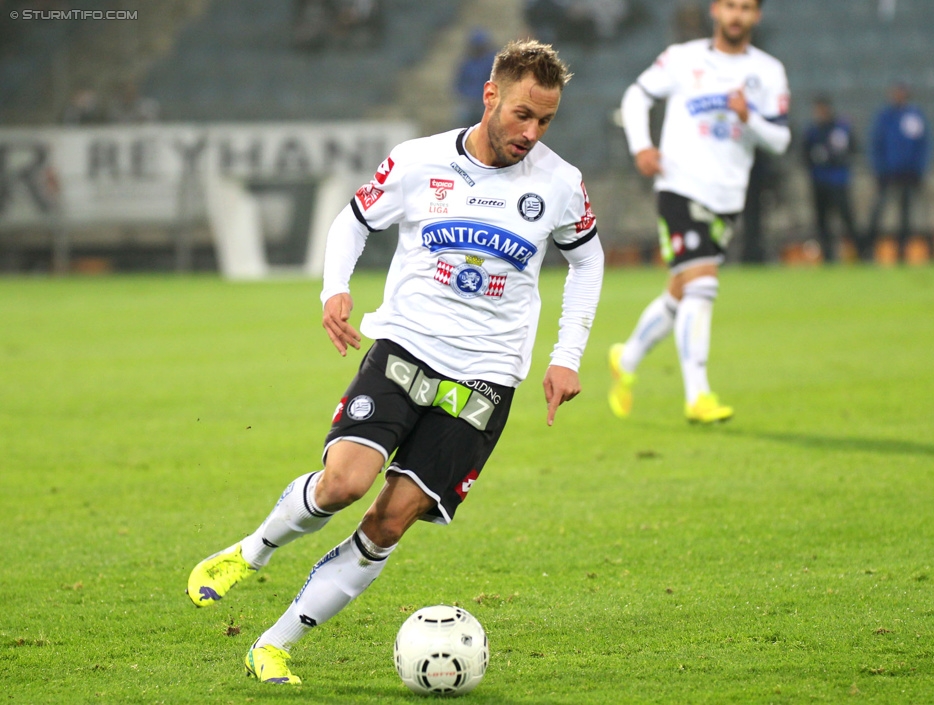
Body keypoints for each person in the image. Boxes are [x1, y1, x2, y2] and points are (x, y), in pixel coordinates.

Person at [186, 39, 603, 685]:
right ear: (491, 96)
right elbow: (352, 220)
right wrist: (336, 289)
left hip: (486, 377)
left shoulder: (559, 183)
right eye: (523, 113)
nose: (532, 132)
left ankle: (273, 644)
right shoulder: (418, 161)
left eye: (545, 120)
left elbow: (587, 259)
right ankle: (251, 552)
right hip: (406, 345)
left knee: (387, 522)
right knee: (344, 484)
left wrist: (567, 355)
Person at [608, 0, 790, 423]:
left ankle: (627, 356)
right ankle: (698, 395)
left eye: (745, 8)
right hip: (679, 184)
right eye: (730, 5)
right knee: (703, 286)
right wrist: (641, 146)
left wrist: (750, 118)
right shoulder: (682, 58)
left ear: (756, 16)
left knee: (682, 288)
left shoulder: (768, 71)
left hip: (727, 195)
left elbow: (780, 139)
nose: (736, 15)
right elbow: (636, 96)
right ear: (715, 10)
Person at [865, 82, 933, 263]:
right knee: (879, 212)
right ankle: (869, 250)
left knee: (908, 213)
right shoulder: (885, 116)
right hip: (888, 173)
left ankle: (903, 252)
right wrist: (880, 168)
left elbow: (923, 144)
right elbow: (876, 144)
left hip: (910, 173)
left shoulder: (914, 116)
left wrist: (919, 168)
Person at [802, 95, 859, 263]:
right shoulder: (812, 130)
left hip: (838, 180)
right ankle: (828, 256)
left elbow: (851, 149)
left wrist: (831, 158)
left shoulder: (840, 128)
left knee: (846, 219)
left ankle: (858, 252)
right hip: (819, 181)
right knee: (822, 221)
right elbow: (804, 154)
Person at [454, 28, 495, 128]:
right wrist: (466, 96)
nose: (477, 48)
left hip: (486, 102)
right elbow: (458, 84)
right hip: (469, 102)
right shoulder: (466, 62)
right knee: (461, 116)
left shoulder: (491, 61)